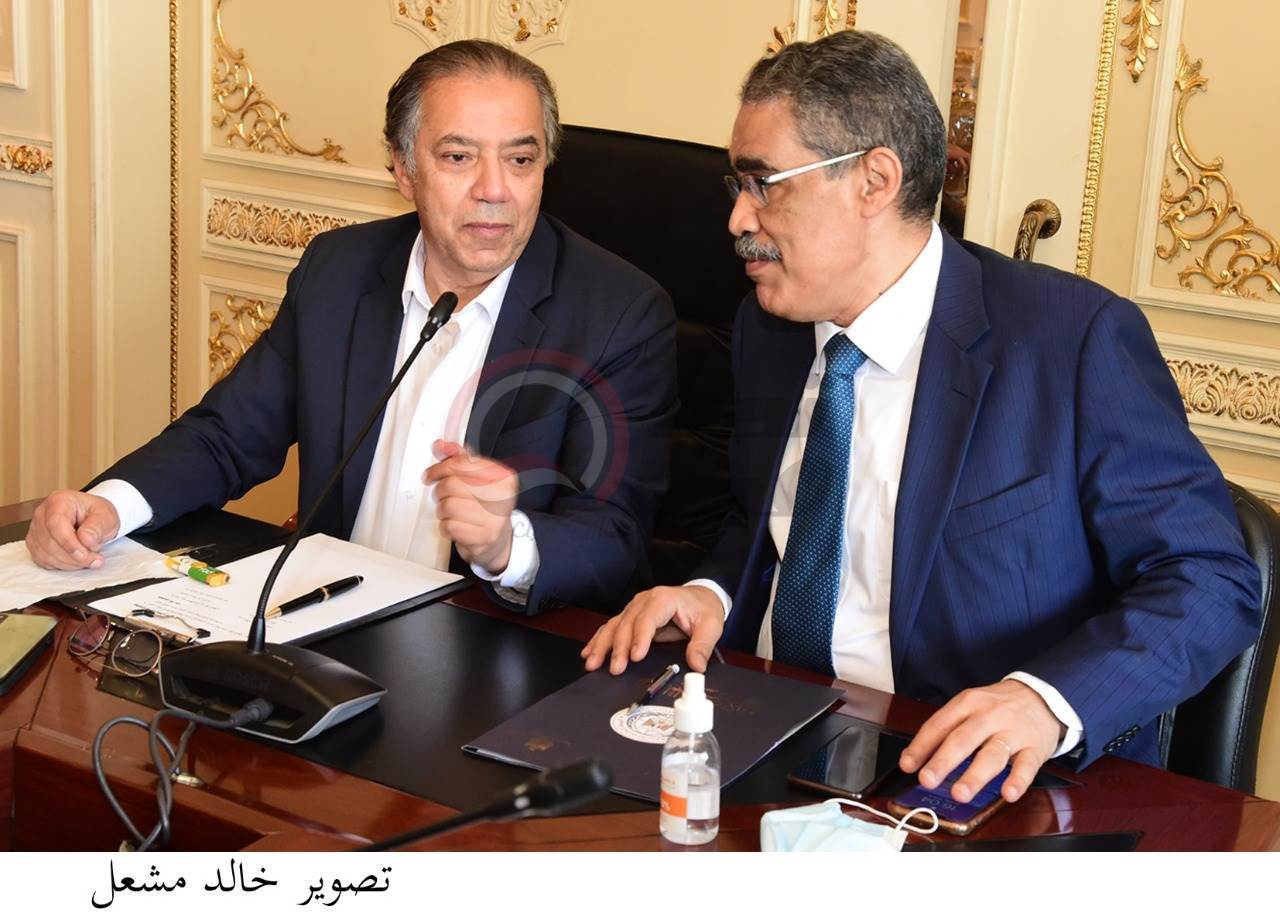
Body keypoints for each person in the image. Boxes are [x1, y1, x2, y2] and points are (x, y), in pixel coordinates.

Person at [583, 30, 1260, 806]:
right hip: (766, 734)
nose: (738, 217)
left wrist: (1045, 701)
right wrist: (713, 593)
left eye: (764, 183)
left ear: (874, 180)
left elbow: (1210, 575)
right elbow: (768, 523)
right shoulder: (769, 330)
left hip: (965, 775)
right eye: (736, 184)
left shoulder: (1070, 341)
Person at [25, 39, 677, 615]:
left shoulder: (619, 314)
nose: (495, 189)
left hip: (489, 643)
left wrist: (510, 545)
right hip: (326, 620)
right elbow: (228, 435)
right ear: (404, 169)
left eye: (521, 160)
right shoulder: (339, 270)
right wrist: (108, 507)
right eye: (458, 156)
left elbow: (615, 538)